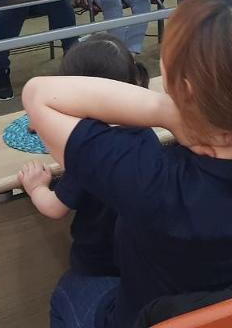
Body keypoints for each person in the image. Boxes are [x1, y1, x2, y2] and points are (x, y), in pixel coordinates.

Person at [23, 0, 232, 328]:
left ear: (185, 88)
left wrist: (169, 113)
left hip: (149, 318)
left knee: (69, 290)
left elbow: (38, 95)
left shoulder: (153, 179)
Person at [17, 34, 150, 321]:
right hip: (145, 264)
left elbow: (55, 208)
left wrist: (37, 187)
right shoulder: (146, 132)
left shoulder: (89, 152)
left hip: (98, 267)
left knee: (62, 295)